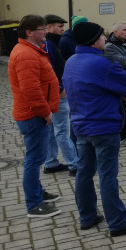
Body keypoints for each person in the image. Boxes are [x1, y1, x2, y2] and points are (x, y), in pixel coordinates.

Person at [63, 21, 126, 237]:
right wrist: (118, 88)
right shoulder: (101, 63)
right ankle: (117, 222)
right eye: (101, 36)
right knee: (108, 175)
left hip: (81, 126)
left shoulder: (71, 61)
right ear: (93, 41)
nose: (104, 39)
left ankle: (87, 216)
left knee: (84, 172)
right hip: (103, 126)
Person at [8, 15, 61, 218]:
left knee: (36, 157)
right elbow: (30, 90)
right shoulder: (26, 54)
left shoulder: (30, 50)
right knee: (34, 159)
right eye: (41, 28)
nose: (46, 32)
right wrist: (45, 112)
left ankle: (38, 193)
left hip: (34, 114)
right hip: (33, 116)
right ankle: (34, 204)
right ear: (29, 32)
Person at [42, 14, 78, 176]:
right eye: (59, 26)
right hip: (56, 94)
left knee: (51, 129)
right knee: (62, 130)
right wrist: (60, 87)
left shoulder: (51, 43)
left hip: (51, 93)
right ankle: (74, 164)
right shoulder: (49, 45)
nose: (62, 29)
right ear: (48, 27)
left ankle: (50, 162)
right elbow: (48, 70)